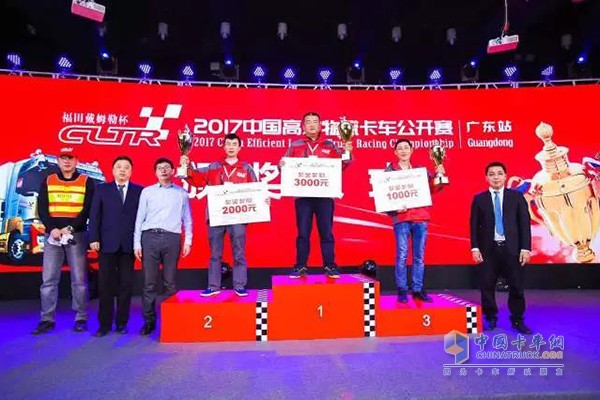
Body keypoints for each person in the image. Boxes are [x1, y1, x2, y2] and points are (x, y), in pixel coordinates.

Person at [182, 133, 261, 297]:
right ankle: (213, 286)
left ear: (240, 148)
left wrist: (263, 200)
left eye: (234, 144)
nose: (231, 147)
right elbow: (196, 179)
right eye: (228, 144)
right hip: (216, 216)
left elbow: (256, 190)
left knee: (239, 253)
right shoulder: (214, 167)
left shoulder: (246, 168)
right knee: (215, 254)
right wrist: (185, 166)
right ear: (223, 147)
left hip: (238, 217)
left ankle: (239, 285)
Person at [282, 112, 353, 279]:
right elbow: (284, 167)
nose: (312, 124)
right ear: (303, 126)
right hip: (303, 197)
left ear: (320, 126)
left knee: (326, 232)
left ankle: (330, 266)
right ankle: (300, 266)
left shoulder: (330, 145)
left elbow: (343, 164)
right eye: (308, 122)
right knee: (303, 233)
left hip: (324, 196)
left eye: (315, 121)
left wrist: (347, 151)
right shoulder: (296, 145)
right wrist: (282, 165)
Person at [33, 147, 95, 334]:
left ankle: (81, 317)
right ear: (58, 161)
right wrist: (52, 229)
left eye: (70, 158)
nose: (66, 161)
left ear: (77, 161)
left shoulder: (86, 181)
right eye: (63, 158)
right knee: (49, 280)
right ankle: (47, 319)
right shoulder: (49, 180)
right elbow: (42, 208)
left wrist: (69, 229)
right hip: (52, 236)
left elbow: (87, 209)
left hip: (76, 236)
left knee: (79, 280)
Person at [470, 161, 532, 334]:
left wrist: (525, 248)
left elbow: (524, 224)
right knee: (487, 286)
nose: (495, 177)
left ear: (505, 176)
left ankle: (518, 320)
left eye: (499, 173)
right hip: (488, 250)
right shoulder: (479, 199)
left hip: (512, 250)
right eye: (491, 174)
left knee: (516, 286)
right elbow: (473, 225)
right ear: (486, 178)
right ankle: (490, 318)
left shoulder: (516, 197)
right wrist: (475, 248)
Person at [134, 158, 193, 336]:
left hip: (172, 238)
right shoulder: (147, 192)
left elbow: (187, 219)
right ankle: (149, 322)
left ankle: (171, 322)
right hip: (149, 237)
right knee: (149, 283)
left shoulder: (181, 193)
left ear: (173, 171)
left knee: (170, 283)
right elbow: (139, 218)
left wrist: (188, 241)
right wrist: (137, 243)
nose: (163, 170)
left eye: (167, 167)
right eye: (159, 168)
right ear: (155, 172)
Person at [88, 156, 143, 337]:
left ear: (131, 171)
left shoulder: (139, 191)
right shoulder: (102, 189)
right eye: (119, 167)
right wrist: (93, 238)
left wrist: (139, 242)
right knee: (105, 285)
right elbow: (94, 215)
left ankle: (121, 323)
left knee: (125, 285)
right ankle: (104, 324)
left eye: (126, 167)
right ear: (113, 170)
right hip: (106, 244)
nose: (122, 170)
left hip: (128, 245)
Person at [386, 139, 444, 303]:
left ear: (412, 150)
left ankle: (418, 289)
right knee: (402, 255)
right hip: (401, 218)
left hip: (420, 217)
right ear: (395, 152)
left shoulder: (420, 171)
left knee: (419, 256)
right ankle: (402, 290)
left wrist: (440, 174)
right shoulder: (389, 171)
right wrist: (394, 208)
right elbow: (384, 195)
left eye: (406, 148)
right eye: (400, 148)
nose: (403, 151)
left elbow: (434, 188)